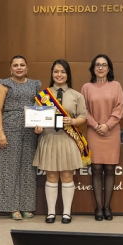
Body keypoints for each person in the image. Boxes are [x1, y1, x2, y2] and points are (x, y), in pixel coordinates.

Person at [33, 59, 89, 224]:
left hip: (68, 139)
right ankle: (51, 213)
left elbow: (83, 117)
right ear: (52, 73)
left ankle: (66, 213)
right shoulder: (43, 96)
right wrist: (38, 128)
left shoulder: (76, 95)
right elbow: (37, 118)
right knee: (50, 175)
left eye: (63, 72)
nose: (59, 75)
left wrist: (72, 122)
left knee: (66, 175)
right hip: (49, 138)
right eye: (56, 71)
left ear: (68, 74)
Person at [0, 55, 42, 220]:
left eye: (22, 65)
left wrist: (40, 124)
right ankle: (12, 207)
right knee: (9, 168)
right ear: (11, 68)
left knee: (28, 169)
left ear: (27, 68)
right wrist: (0, 132)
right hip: (10, 128)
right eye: (16, 65)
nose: (19, 67)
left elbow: (39, 107)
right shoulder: (4, 84)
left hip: (30, 130)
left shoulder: (35, 84)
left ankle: (26, 206)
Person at [81, 54, 123, 221]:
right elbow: (83, 110)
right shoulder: (86, 87)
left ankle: (107, 206)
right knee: (97, 169)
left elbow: (120, 108)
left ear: (109, 68)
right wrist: (96, 125)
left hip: (112, 131)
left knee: (110, 169)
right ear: (93, 68)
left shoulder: (116, 86)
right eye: (97, 65)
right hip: (94, 131)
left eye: (104, 65)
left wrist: (107, 125)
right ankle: (98, 207)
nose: (100, 67)